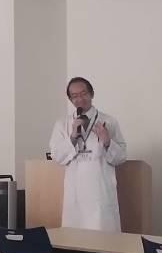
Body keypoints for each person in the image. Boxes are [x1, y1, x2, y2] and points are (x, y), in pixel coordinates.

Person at [48, 77, 126, 232]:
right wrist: (72, 137)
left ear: (92, 94)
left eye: (83, 94)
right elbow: (57, 156)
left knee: (103, 240)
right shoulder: (62, 124)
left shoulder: (109, 121)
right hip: (75, 195)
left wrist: (107, 141)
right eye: (74, 96)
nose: (80, 99)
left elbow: (121, 157)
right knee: (74, 239)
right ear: (70, 99)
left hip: (100, 195)